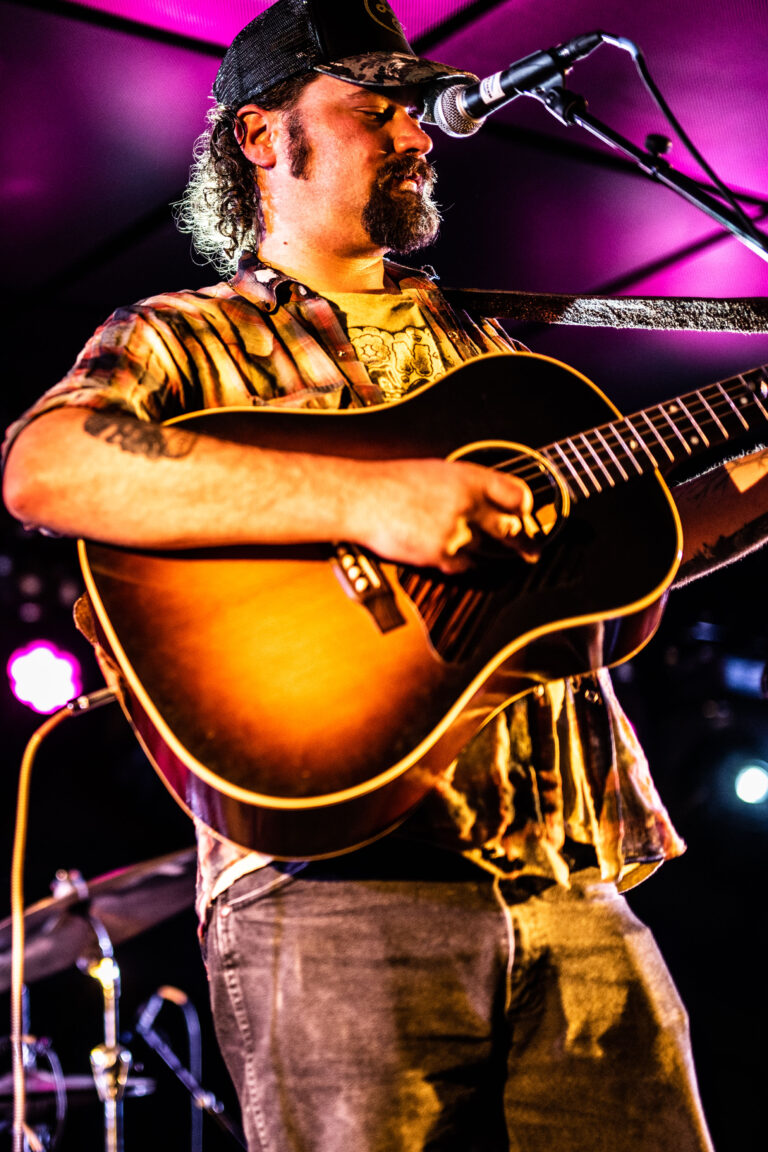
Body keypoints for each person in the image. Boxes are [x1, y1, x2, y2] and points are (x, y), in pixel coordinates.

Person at [4, 2, 768, 1148]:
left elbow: (649, 547)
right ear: (264, 140)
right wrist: (371, 500)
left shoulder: (495, 354)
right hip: (332, 895)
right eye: (381, 108)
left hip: (572, 887)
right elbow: (45, 465)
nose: (420, 134)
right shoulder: (183, 337)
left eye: (420, 110)